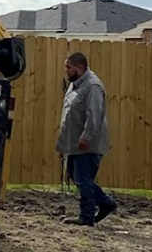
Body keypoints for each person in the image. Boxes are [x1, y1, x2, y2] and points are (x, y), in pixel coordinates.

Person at [56, 51, 117, 226]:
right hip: (75, 142)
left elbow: (94, 115)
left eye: (69, 67)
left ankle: (87, 216)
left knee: (83, 179)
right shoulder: (76, 84)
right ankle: (106, 203)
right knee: (78, 178)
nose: (66, 71)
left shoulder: (92, 86)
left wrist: (86, 137)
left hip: (88, 143)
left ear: (80, 67)